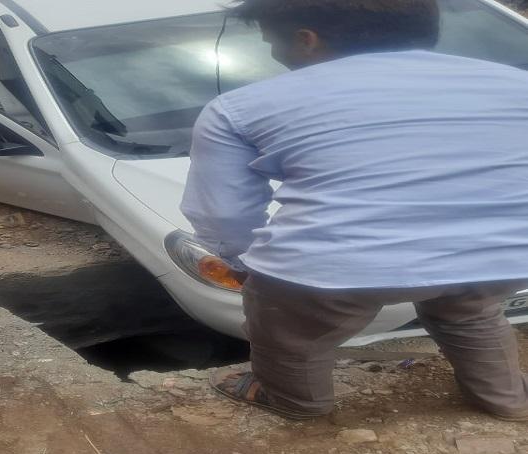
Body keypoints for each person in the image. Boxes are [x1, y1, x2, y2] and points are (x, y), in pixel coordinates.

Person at [181, 0, 528, 421]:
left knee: (292, 336)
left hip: (334, 267)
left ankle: (296, 402)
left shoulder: (239, 108)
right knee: (472, 311)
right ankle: (508, 399)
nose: (275, 55)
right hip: (503, 252)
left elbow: (224, 215)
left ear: (306, 39)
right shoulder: (515, 83)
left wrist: (243, 264)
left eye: (272, 42)